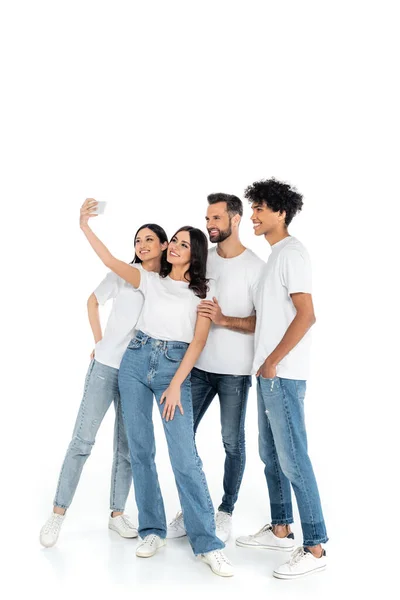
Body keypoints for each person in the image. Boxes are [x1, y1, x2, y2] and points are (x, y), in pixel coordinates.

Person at [79, 198, 234, 578]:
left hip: (173, 370)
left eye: (183, 243)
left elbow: (197, 343)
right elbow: (112, 263)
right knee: (142, 450)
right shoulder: (150, 279)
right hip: (135, 360)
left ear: (194, 253)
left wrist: (176, 384)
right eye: (174, 241)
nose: (176, 246)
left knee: (184, 457)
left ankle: (208, 543)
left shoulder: (204, 292)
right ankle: (152, 530)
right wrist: (85, 227)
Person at [40, 223, 169, 548]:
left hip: (136, 374)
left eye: (149, 239)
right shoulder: (124, 274)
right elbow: (92, 301)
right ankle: (57, 514)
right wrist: (100, 342)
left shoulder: (165, 284)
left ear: (165, 245)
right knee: (82, 441)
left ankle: (116, 515)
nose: (142, 245)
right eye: (138, 240)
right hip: (104, 368)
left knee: (126, 449)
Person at [236, 178, 328, 579]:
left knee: (293, 459)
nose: (252, 216)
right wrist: (223, 320)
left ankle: (316, 546)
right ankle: (280, 528)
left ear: (281, 212)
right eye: (252, 208)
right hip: (268, 374)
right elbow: (265, 320)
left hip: (283, 375)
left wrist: (273, 361)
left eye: (258, 209)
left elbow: (307, 315)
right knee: (271, 456)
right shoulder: (274, 257)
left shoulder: (292, 253)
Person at [168, 193, 265, 542]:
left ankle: (225, 510)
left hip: (235, 372)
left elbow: (264, 322)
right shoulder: (204, 261)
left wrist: (224, 319)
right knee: (180, 436)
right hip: (197, 367)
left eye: (216, 219)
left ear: (235, 220)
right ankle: (193, 506)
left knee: (232, 443)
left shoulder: (256, 267)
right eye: (207, 219)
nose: (209, 225)